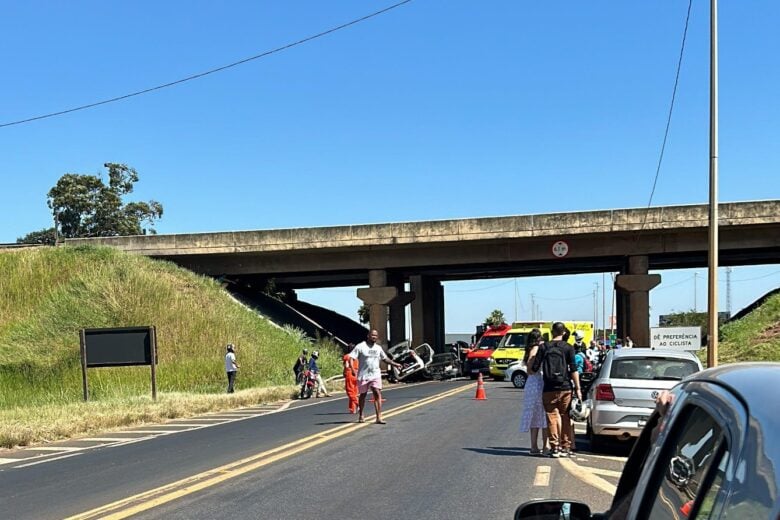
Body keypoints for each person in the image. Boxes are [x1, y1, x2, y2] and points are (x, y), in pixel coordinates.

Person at [532, 322, 582, 458]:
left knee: (551, 417)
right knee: (566, 416)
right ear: (564, 332)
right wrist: (578, 388)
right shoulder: (569, 348)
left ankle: (555, 447)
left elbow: (535, 368)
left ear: (552, 332)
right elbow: (574, 369)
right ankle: (566, 447)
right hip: (565, 386)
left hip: (548, 387)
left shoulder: (544, 347)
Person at [347, 329, 402, 424]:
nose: (374, 337)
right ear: (368, 335)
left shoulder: (378, 348)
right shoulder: (361, 346)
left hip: (375, 374)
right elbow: (351, 358)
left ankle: (379, 417)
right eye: (372, 335)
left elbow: (385, 359)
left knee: (377, 393)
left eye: (376, 336)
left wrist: (395, 364)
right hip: (363, 375)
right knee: (363, 395)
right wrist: (352, 369)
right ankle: (361, 414)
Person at [519, 329, 549, 456]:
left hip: (531, 383)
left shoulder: (529, 348)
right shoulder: (536, 348)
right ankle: (545, 446)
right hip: (538, 382)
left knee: (535, 415)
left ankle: (534, 446)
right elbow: (530, 368)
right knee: (543, 415)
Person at [342, 343, 359, 413]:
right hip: (356, 373)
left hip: (350, 373)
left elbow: (346, 366)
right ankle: (352, 409)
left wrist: (344, 372)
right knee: (354, 392)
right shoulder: (356, 357)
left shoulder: (347, 356)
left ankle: (358, 404)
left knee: (350, 391)